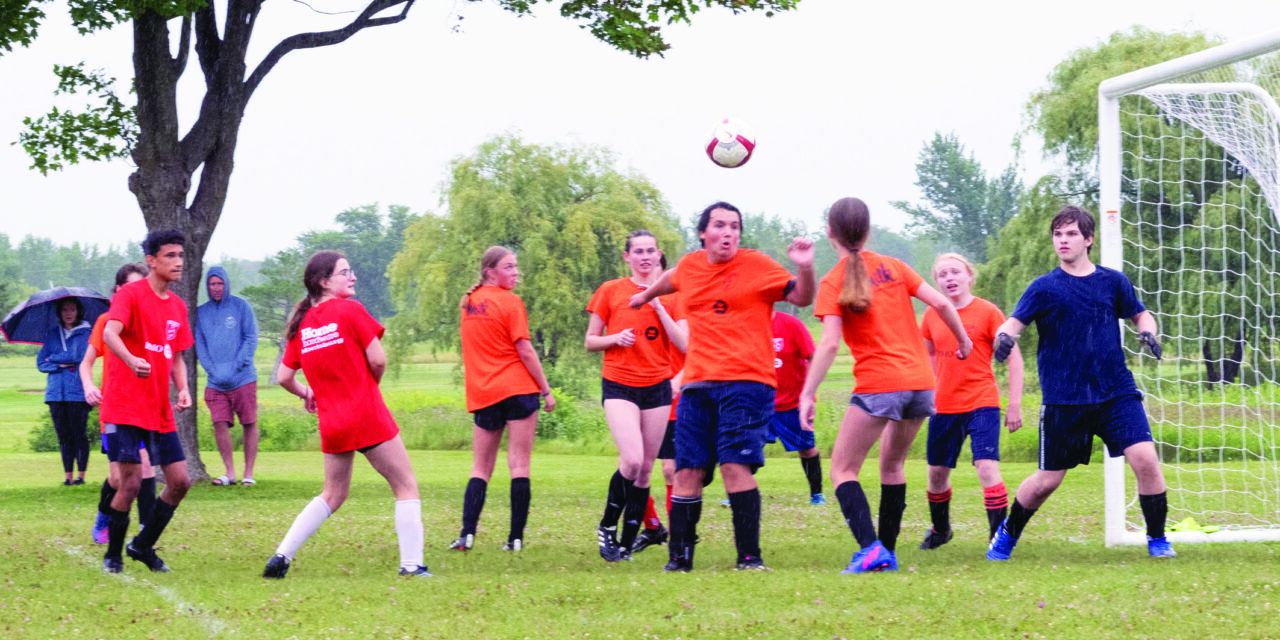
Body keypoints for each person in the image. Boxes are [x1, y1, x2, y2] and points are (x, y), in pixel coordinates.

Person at [629, 201, 816, 572]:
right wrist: (646, 295)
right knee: (687, 471)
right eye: (719, 225)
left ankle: (749, 558)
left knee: (734, 464)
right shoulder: (692, 266)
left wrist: (806, 267)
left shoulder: (757, 265)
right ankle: (679, 560)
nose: (728, 232)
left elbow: (802, 297)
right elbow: (672, 279)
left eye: (734, 226)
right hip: (698, 385)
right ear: (703, 233)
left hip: (748, 382)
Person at [987, 206, 1175, 560]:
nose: (1063, 239)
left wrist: (1147, 332)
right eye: (1058, 234)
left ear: (1088, 239)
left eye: (1071, 233)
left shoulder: (1113, 281)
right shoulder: (1043, 288)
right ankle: (1007, 533)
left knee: (1145, 459)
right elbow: (1011, 324)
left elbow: (1139, 312)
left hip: (1114, 392)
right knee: (1047, 481)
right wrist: (1003, 339)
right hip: (1065, 399)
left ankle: (1158, 540)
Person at [798, 197, 971, 574]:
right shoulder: (895, 267)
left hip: (880, 384)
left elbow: (828, 343)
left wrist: (807, 392)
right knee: (892, 466)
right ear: (868, 229)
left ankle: (871, 548)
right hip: (921, 384)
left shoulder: (832, 281)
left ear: (831, 234)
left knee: (843, 470)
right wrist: (963, 341)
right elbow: (943, 305)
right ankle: (885, 552)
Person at [263, 251, 431, 578]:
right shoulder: (351, 310)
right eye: (345, 272)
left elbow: (284, 377)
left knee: (333, 494)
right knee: (405, 486)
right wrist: (369, 390)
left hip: (333, 422)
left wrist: (307, 393)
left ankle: (281, 557)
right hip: (366, 414)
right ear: (324, 282)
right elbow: (379, 360)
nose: (352, 276)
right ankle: (411, 566)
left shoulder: (302, 325)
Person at [585, 230, 687, 561]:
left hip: (657, 387)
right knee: (630, 460)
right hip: (619, 384)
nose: (645, 257)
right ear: (627, 257)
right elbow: (590, 340)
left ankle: (626, 544)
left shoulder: (673, 295)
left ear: (659, 256)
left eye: (650, 252)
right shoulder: (611, 291)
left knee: (645, 469)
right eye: (638, 252)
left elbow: (685, 345)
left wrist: (657, 305)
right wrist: (614, 338)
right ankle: (606, 527)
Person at [98, 229, 195, 574]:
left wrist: (182, 388)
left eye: (181, 256)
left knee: (181, 481)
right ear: (151, 261)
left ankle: (141, 546)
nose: (179, 262)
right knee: (132, 482)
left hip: (159, 410)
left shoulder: (179, 306)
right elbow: (111, 333)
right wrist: (130, 359)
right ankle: (113, 556)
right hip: (124, 406)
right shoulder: (130, 294)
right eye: (170, 256)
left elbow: (177, 356)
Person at [450, 246, 556, 552]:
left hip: (484, 392)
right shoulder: (511, 302)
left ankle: (467, 534)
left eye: (516, 267)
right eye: (508, 267)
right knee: (519, 465)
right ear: (490, 272)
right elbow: (524, 349)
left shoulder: (468, 303)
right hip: (519, 389)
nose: (515, 272)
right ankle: (516, 538)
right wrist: (546, 390)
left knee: (480, 468)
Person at [918, 253, 1024, 549]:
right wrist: (928, 393)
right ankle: (940, 530)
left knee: (986, 467)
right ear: (936, 281)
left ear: (968, 276)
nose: (949, 278)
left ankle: (998, 540)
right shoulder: (931, 314)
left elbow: (1013, 355)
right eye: (942, 274)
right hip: (943, 406)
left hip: (982, 401)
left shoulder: (988, 312)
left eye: (955, 272)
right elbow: (927, 354)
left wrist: (1014, 403)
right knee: (936, 473)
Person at [82, 263, 157, 545]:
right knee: (119, 480)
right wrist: (89, 386)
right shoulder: (106, 322)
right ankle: (104, 516)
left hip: (143, 408)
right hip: (114, 410)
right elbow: (86, 363)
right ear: (117, 291)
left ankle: (146, 535)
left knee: (147, 467)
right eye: (129, 288)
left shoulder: (149, 320)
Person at [196, 266, 260, 486]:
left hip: (243, 378)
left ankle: (248, 473)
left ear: (226, 284)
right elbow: (200, 345)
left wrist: (237, 366)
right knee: (219, 423)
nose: (216, 288)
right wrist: (212, 370)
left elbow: (250, 338)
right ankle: (229, 473)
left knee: (249, 422)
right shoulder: (201, 313)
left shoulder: (241, 307)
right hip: (215, 381)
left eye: (219, 284)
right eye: (212, 284)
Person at [766, 310, 825, 505]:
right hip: (759, 402)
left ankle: (816, 494)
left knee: (806, 449)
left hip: (792, 403)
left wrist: (810, 398)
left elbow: (814, 358)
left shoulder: (791, 324)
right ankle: (737, 494)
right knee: (744, 445)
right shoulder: (747, 324)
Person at [38, 297, 93, 486]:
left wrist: (54, 360)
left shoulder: (87, 333)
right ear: (59, 313)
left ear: (79, 312)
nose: (68, 313)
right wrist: (59, 365)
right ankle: (68, 476)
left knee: (79, 434)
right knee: (63, 436)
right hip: (55, 393)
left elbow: (78, 356)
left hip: (78, 391)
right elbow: (40, 363)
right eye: (64, 310)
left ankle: (81, 476)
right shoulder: (53, 334)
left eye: (72, 309)